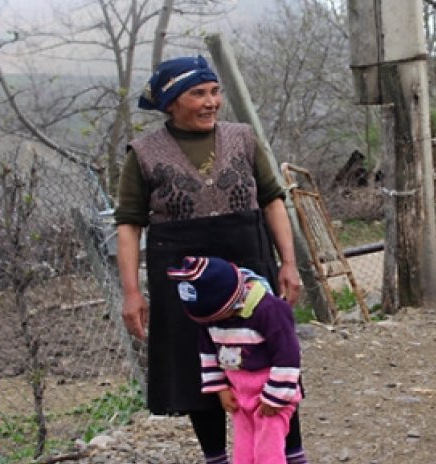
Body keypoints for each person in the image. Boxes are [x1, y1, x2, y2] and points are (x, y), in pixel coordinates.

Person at [114, 55, 309, 464]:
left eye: (215, 91)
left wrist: (288, 263)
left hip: (248, 259)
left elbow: (273, 199)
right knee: (197, 366)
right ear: (171, 102)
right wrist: (131, 293)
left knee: (272, 353)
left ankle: (291, 455)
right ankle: (218, 458)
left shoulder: (243, 138)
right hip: (183, 272)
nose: (211, 101)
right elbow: (129, 225)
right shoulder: (144, 153)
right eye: (197, 93)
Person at [167, 256, 302, 464]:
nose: (214, 324)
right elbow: (209, 352)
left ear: (236, 299)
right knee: (243, 453)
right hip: (240, 393)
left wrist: (275, 396)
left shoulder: (270, 310)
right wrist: (220, 388)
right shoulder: (210, 317)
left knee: (268, 453)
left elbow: (288, 355)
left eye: (218, 317)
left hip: (271, 392)